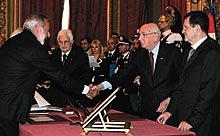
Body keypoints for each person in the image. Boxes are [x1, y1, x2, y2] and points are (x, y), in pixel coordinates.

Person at [0, 13, 97, 136]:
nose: (49, 34)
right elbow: (58, 75)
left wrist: (38, 81)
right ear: (37, 28)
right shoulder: (34, 47)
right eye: (47, 30)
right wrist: (85, 89)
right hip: (10, 107)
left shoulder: (11, 42)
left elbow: (20, 70)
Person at [93, 23, 183, 122]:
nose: (139, 39)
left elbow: (181, 81)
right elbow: (124, 73)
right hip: (147, 111)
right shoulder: (140, 54)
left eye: (143, 35)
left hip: (168, 110)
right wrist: (101, 86)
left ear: (155, 36)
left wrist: (170, 99)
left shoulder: (173, 53)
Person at [157, 11, 220, 136]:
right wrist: (170, 112)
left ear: (197, 28)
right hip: (184, 118)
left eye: (185, 27)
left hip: (202, 123)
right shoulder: (189, 50)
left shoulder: (212, 52)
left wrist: (192, 121)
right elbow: (181, 84)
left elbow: (208, 93)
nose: (182, 31)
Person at [38, 29, 91, 108]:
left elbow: (84, 77)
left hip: (73, 97)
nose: (63, 45)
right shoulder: (54, 54)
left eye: (66, 42)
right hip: (55, 97)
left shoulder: (80, 56)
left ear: (72, 41)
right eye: (60, 42)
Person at [111, 35, 139, 115]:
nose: (119, 47)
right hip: (119, 87)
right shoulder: (118, 57)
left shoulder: (132, 57)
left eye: (122, 45)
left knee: (130, 111)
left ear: (127, 47)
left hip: (128, 88)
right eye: (119, 45)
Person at [85, 39, 109, 107]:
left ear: (100, 47)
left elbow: (104, 73)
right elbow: (87, 72)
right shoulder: (89, 59)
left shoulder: (104, 60)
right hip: (89, 84)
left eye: (96, 47)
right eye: (92, 47)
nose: (94, 49)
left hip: (100, 84)